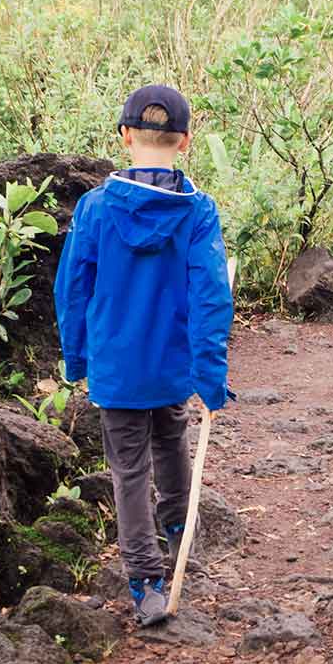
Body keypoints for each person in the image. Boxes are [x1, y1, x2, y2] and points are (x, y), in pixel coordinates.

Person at [54, 83, 234, 625]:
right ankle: (179, 536)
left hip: (116, 369)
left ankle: (145, 582)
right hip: (171, 367)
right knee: (171, 440)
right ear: (184, 141)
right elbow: (211, 298)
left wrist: (78, 360)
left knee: (128, 470)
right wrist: (210, 376)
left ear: (126, 136)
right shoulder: (198, 212)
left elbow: (71, 291)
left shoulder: (94, 208)